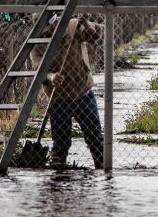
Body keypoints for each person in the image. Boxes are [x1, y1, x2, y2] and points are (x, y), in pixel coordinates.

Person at [31, 14, 105, 169]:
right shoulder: (37, 42)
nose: (48, 32)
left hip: (83, 93)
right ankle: (59, 173)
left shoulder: (73, 26)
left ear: (56, 22)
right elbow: (38, 69)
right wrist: (51, 77)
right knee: (61, 142)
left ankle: (103, 169)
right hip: (58, 98)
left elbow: (94, 35)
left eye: (51, 28)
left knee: (95, 139)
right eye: (45, 31)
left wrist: (88, 25)